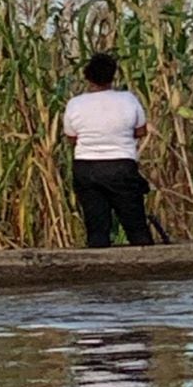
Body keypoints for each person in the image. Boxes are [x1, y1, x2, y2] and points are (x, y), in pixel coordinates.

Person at [62, 52, 154, 248]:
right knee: (136, 227)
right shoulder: (128, 100)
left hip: (86, 168)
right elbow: (141, 131)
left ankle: (98, 271)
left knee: (96, 230)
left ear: (87, 77)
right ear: (113, 76)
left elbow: (72, 137)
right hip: (121, 166)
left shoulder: (75, 104)